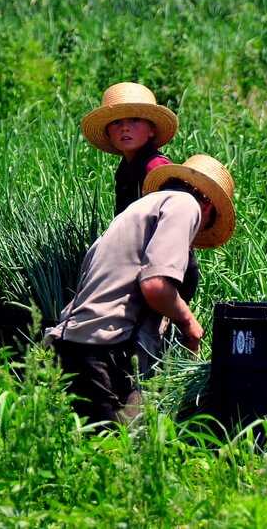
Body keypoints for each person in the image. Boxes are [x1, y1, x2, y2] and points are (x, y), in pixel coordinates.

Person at [45, 154, 236, 426]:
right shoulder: (186, 205)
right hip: (102, 349)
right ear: (207, 205)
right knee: (111, 456)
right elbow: (156, 286)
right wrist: (189, 323)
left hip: (78, 344)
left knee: (100, 455)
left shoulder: (140, 209)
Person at [80, 81, 199, 370]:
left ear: (152, 129)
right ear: (108, 132)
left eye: (134, 120)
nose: (125, 128)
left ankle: (162, 386)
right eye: (117, 122)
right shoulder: (126, 170)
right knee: (145, 335)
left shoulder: (155, 169)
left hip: (164, 270)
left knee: (151, 336)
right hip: (144, 269)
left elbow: (173, 226)